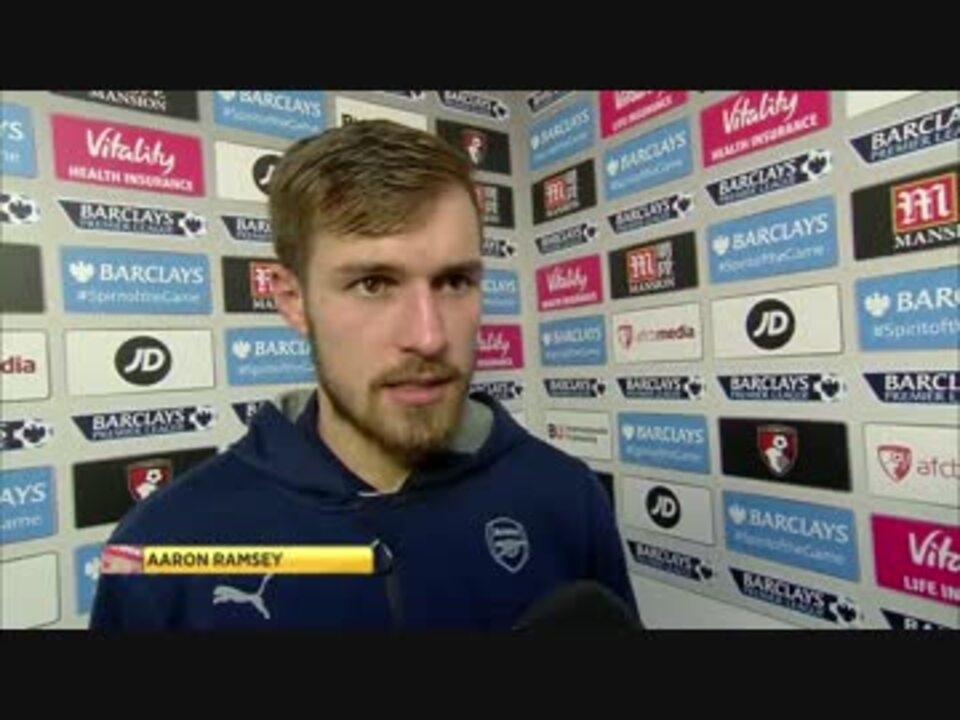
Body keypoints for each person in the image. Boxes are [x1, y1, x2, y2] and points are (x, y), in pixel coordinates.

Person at [89, 119, 639, 630]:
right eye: (373, 284)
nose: (429, 336)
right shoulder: (161, 547)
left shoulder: (566, 497)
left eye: (454, 282)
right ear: (293, 300)